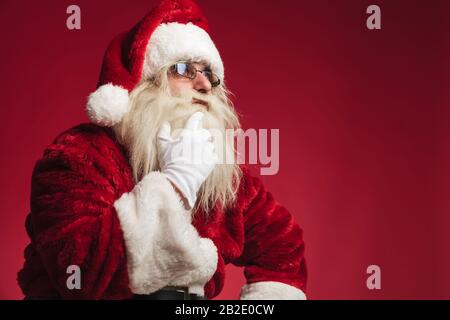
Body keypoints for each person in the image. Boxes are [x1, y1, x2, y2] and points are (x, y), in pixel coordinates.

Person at [17, 0, 307, 300]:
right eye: (183, 69)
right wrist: (176, 184)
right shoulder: (79, 154)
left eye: (210, 73)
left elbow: (283, 248)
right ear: (145, 84)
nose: (204, 84)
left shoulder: (224, 174)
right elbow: (81, 273)